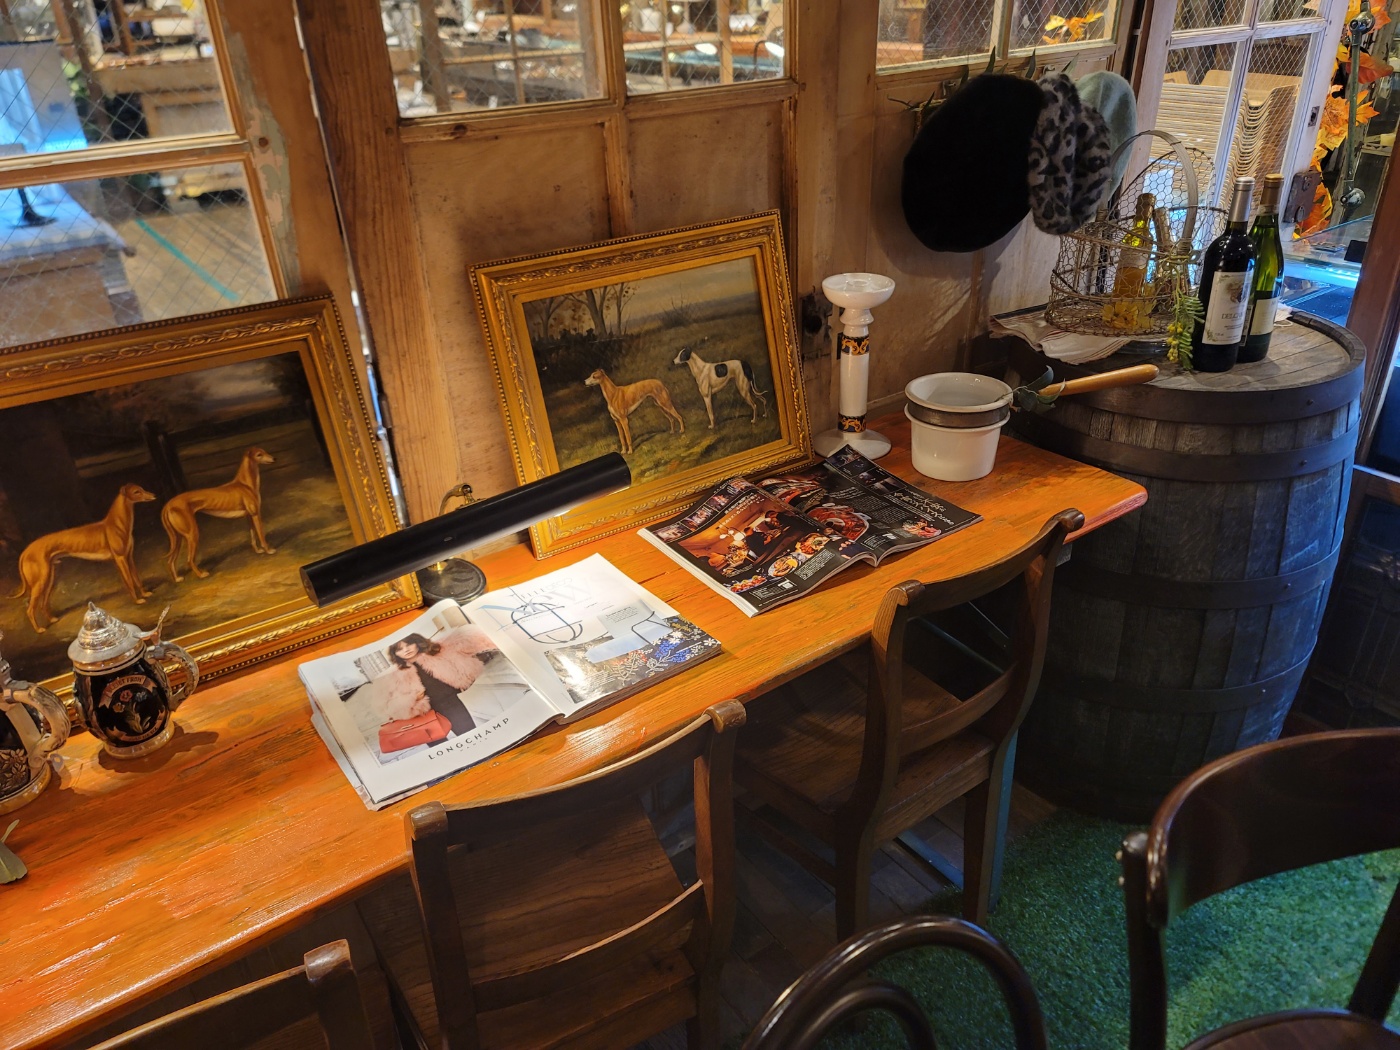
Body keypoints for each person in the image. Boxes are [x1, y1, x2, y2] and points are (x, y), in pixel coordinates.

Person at [381, 626, 500, 737]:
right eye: (399, 649)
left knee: (469, 733)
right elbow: (391, 703)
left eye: (409, 644)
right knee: (435, 741)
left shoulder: (435, 653)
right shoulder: (397, 675)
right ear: (395, 653)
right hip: (422, 713)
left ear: (416, 642)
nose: (406, 650)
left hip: (449, 702)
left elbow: (459, 654)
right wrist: (413, 699)